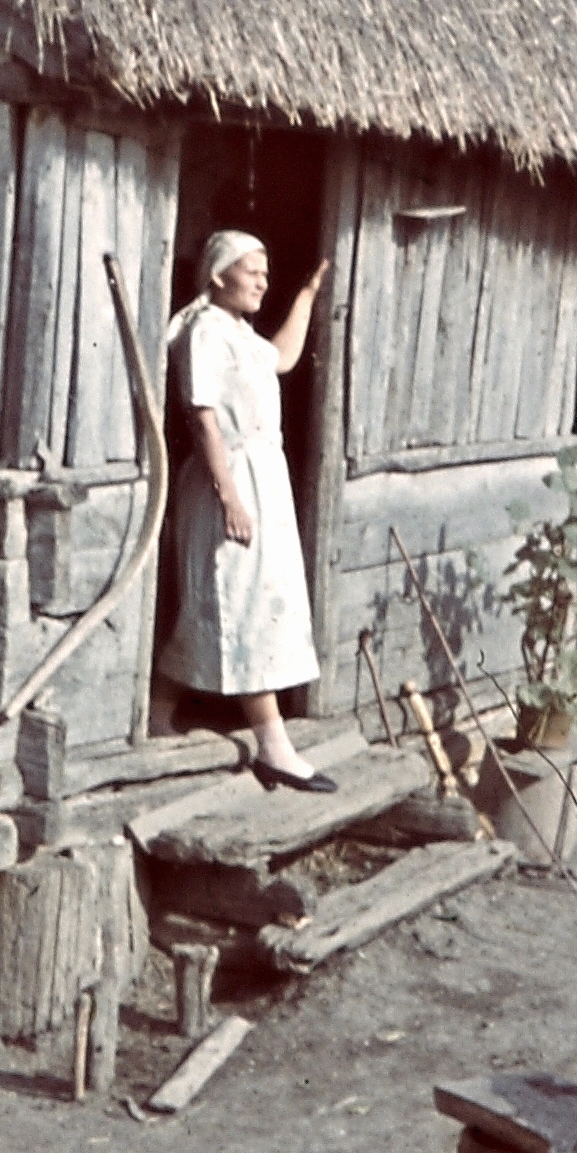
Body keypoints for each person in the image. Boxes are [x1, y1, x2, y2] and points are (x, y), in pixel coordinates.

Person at [164, 229, 335, 791]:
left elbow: (284, 357)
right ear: (218, 276)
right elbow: (203, 419)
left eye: (267, 270)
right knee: (244, 601)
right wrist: (230, 497)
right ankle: (273, 744)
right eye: (252, 270)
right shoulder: (205, 332)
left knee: (226, 601)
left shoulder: (239, 331)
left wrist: (308, 294)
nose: (263, 279)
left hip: (261, 477)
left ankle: (156, 712)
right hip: (228, 480)